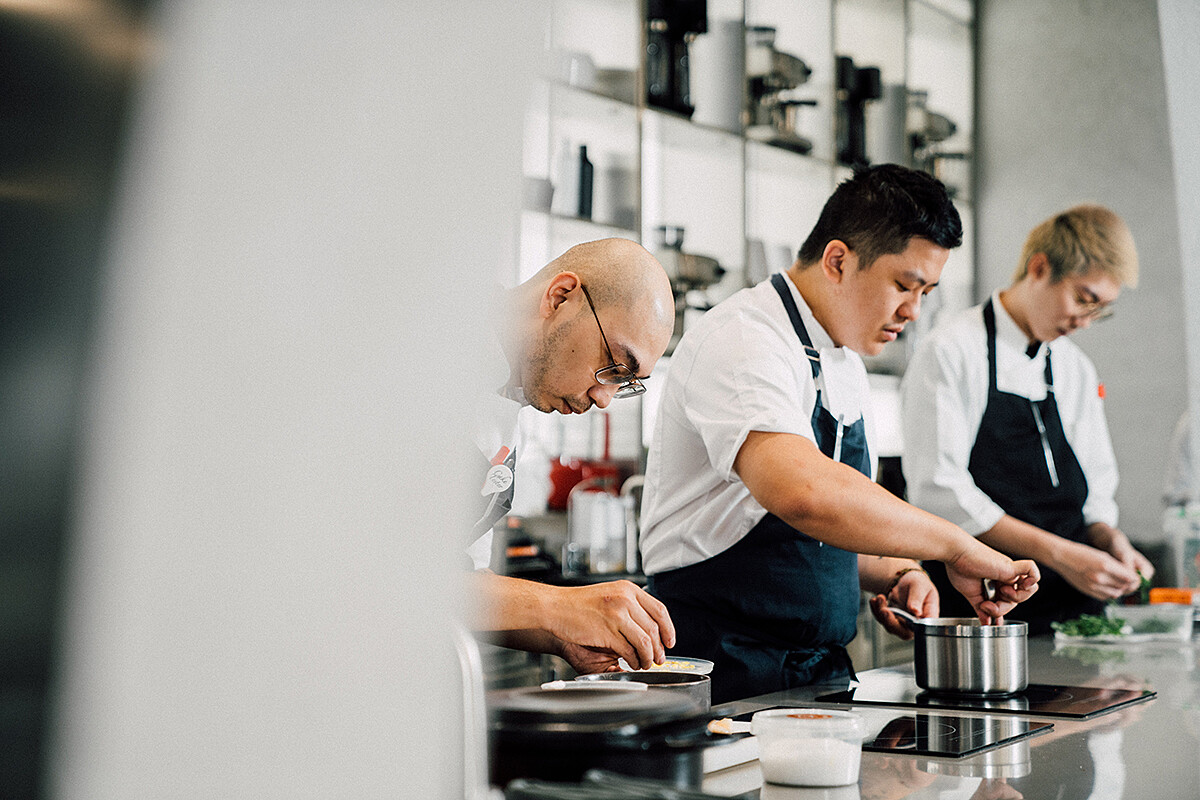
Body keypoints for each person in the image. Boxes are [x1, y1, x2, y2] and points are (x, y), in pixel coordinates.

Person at [638, 164, 1040, 704]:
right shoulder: (745, 340)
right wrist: (956, 547)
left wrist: (896, 572)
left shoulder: (843, 356)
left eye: (927, 292)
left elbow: (812, 535)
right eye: (904, 285)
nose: (914, 312)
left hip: (816, 675)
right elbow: (802, 494)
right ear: (837, 261)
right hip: (721, 669)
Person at [901, 204, 1152, 635]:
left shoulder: (1075, 367)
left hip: (1077, 615)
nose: (1085, 322)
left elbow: (1095, 485)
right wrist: (1060, 555)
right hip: (985, 617)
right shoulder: (951, 351)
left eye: (1100, 310)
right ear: (1039, 268)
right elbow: (940, 491)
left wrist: (1111, 541)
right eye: (1083, 300)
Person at [466, 237, 680, 674]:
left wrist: (564, 635)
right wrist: (558, 606)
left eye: (625, 383)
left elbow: (463, 584)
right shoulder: (419, 352)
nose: (604, 398)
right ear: (561, 297)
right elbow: (376, 571)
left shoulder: (510, 399)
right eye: (615, 365)